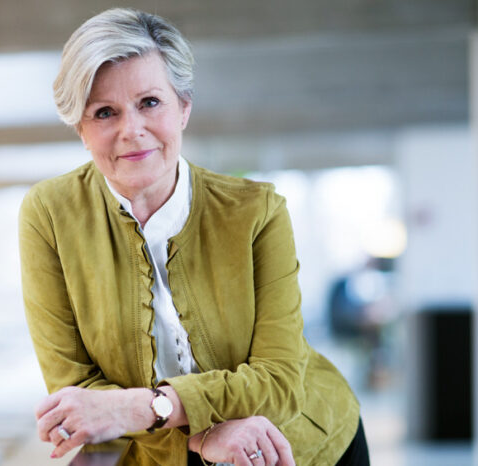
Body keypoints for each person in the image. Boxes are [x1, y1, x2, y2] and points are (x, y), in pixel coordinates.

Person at [19, 7, 368, 466]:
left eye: (150, 102)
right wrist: (201, 437)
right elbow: (77, 393)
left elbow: (280, 381)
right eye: (105, 112)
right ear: (80, 129)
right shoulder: (48, 215)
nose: (131, 130)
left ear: (183, 107)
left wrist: (147, 408)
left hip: (294, 445)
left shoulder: (257, 212)